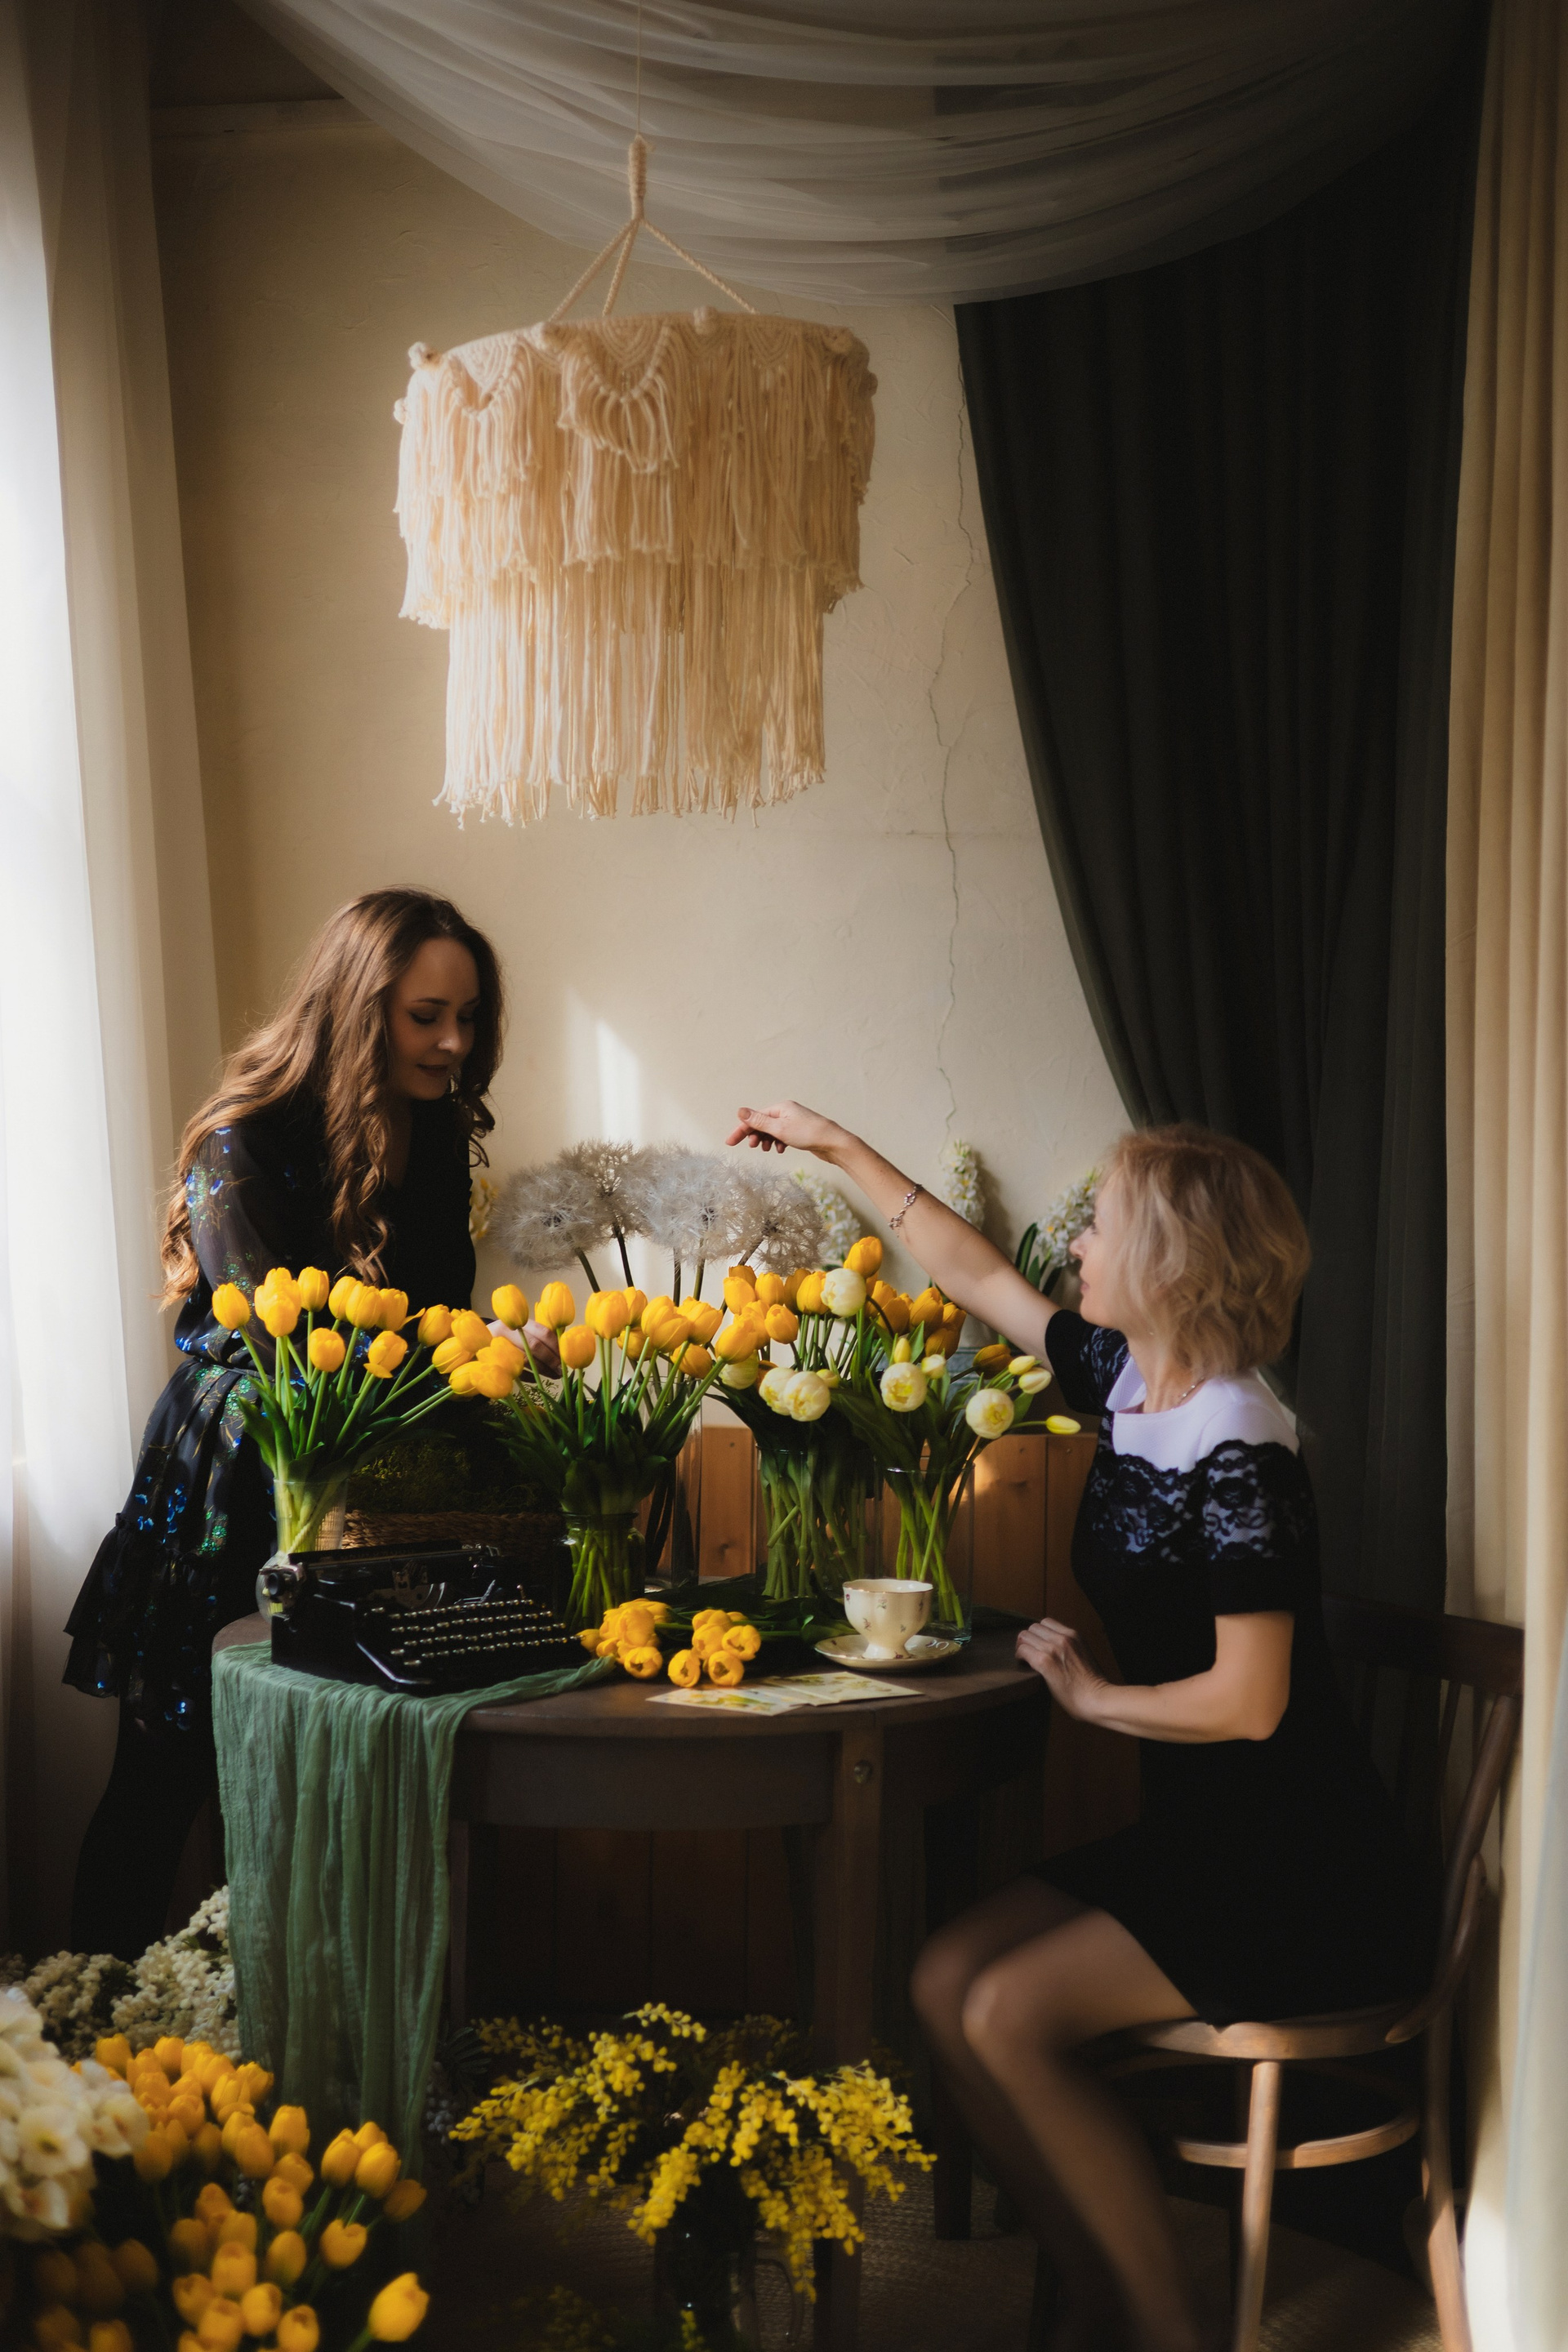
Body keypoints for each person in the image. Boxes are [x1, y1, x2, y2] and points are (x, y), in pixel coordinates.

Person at [727, 1101, 1432, 2352]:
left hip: (1299, 1864)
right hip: (1203, 1838)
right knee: (943, 1980)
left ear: (1169, 1258)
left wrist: (1098, 1700)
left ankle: (1164, 2328)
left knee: (1005, 2012)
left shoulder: (1242, 1444)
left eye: (1100, 1225)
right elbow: (974, 1269)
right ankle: (1104, 2282)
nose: (1076, 1247)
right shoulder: (1129, 1376)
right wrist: (833, 1146)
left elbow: (1252, 1699)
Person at [67, 888, 503, 1961]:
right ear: (357, 1006)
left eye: (468, 1017)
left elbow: (436, 1318)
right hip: (236, 1473)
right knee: (167, 1773)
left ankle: (281, 2016)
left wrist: (491, 1359)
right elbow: (284, 1340)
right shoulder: (242, 1141)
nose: (455, 1042)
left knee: (331, 1775)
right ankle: (86, 2011)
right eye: (427, 1016)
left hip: (377, 1473)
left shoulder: (436, 1134)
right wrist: (459, 1353)